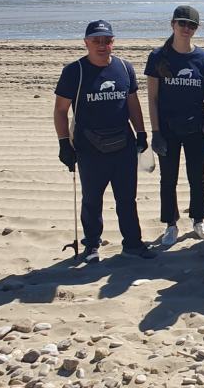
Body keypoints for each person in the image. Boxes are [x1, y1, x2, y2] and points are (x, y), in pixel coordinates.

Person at [53, 20, 156, 262]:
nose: (102, 45)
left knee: (127, 199)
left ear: (113, 42)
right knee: (91, 200)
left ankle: (132, 243)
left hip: (123, 144)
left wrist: (141, 133)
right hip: (89, 148)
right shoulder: (74, 72)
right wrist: (63, 143)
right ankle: (91, 245)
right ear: (86, 42)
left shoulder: (124, 67)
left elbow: (132, 102)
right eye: (96, 40)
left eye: (106, 40)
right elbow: (60, 110)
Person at [145, 5, 204, 246]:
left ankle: (199, 219)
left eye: (192, 25)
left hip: (196, 128)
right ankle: (171, 224)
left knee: (196, 176)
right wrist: (155, 132)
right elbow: (152, 98)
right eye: (182, 23)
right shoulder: (158, 57)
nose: (186, 28)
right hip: (167, 128)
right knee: (168, 178)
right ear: (173, 24)